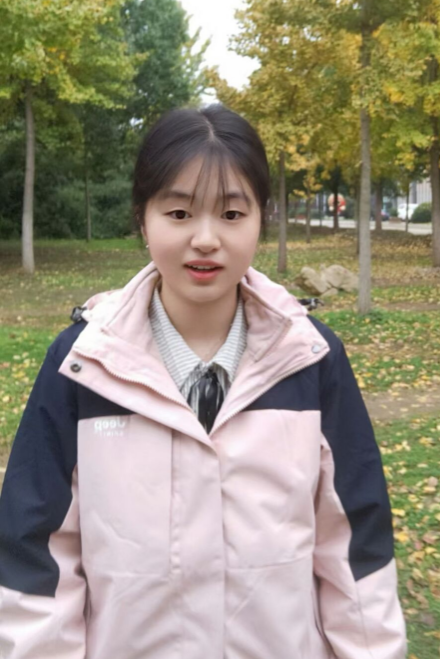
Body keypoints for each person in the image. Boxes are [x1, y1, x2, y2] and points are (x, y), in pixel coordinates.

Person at [0, 105, 407, 659]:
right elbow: (35, 556)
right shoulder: (83, 365)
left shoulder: (311, 360)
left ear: (262, 218)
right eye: (179, 212)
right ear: (143, 219)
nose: (206, 239)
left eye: (232, 213)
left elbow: (354, 546)